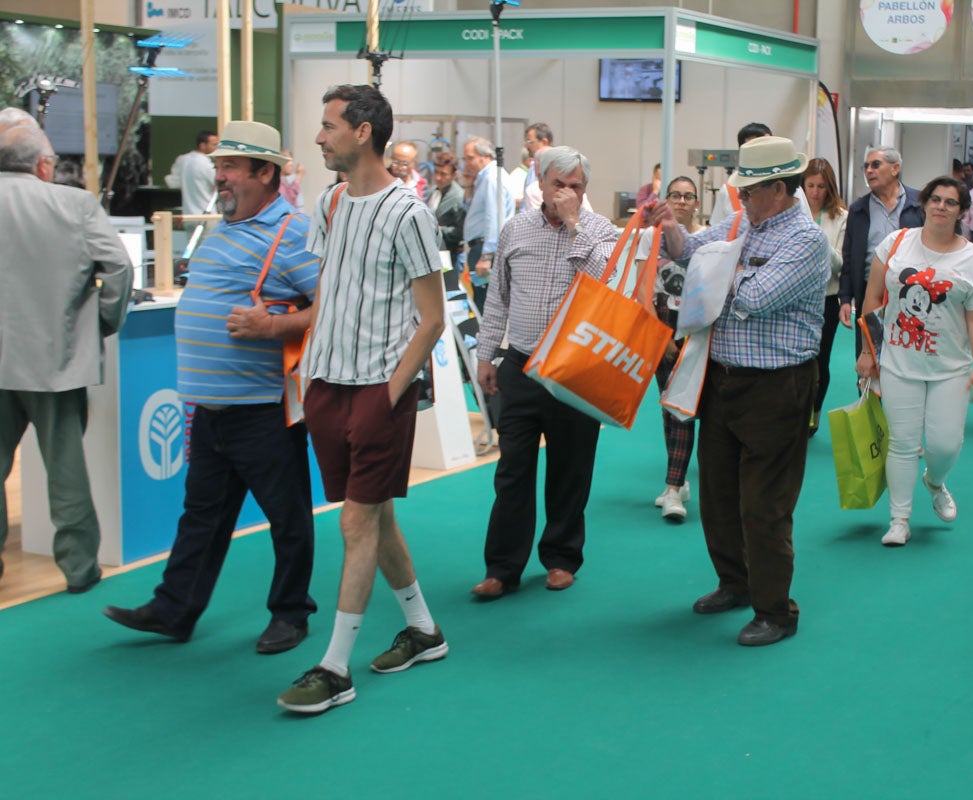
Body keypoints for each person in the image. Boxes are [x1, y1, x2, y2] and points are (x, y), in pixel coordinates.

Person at [101, 121, 319, 652]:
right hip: (212, 407)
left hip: (261, 409)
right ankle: (175, 609)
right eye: (218, 166)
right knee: (202, 514)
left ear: (265, 172)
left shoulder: (292, 231)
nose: (218, 177)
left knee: (286, 517)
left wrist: (271, 327)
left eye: (230, 168)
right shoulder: (224, 227)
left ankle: (291, 613)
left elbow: (332, 308)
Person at [277, 85, 448, 714]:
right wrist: (309, 370)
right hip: (327, 386)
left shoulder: (409, 214)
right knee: (375, 517)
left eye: (328, 127)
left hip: (380, 391)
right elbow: (329, 287)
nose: (319, 137)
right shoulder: (328, 203)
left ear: (363, 132)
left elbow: (431, 319)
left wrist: (390, 391)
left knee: (355, 521)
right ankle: (424, 630)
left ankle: (334, 667)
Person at [652, 136, 828, 647]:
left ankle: (776, 610)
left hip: (778, 386)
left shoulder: (806, 240)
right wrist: (671, 232)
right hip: (723, 378)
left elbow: (753, 296)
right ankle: (735, 584)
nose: (740, 197)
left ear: (778, 188)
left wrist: (713, 268)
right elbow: (690, 250)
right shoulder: (740, 223)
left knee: (766, 505)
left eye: (748, 190)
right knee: (719, 495)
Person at [471, 146, 619, 599]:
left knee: (570, 467)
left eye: (576, 186)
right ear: (540, 182)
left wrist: (576, 227)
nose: (567, 193)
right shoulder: (515, 229)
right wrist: (485, 354)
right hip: (520, 362)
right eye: (559, 184)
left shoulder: (600, 231)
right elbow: (498, 297)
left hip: (577, 367)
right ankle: (502, 567)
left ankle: (560, 557)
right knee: (513, 468)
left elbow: (607, 286)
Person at [0, 123, 132, 589]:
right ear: (42, 165)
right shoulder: (72, 204)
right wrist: (101, 323)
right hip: (55, 360)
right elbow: (118, 267)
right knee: (65, 470)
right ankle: (79, 569)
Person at [855, 177, 973, 547]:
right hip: (899, 362)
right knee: (901, 443)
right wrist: (869, 351)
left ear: (961, 211)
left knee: (945, 444)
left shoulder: (972, 257)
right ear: (925, 203)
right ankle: (899, 519)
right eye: (935, 199)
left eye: (951, 202)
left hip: (951, 368)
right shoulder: (896, 243)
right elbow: (871, 299)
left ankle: (934, 480)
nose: (941, 206)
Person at [640, 176, 704, 521]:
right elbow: (642, 288)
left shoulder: (704, 239)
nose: (681, 201)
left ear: (697, 202)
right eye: (675, 195)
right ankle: (674, 484)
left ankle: (675, 485)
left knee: (683, 407)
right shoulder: (650, 239)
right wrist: (660, 336)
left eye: (688, 196)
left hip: (695, 329)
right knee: (670, 407)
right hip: (660, 328)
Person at [839, 146, 924, 350]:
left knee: (906, 351)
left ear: (895, 168)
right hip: (869, 292)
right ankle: (866, 383)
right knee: (869, 352)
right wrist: (845, 298)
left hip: (910, 292)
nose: (869, 170)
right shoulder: (859, 209)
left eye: (876, 165)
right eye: (866, 166)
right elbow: (849, 258)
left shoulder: (919, 205)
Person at [802, 156, 848, 436]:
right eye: (810, 185)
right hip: (796, 299)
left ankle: (813, 415)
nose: (816, 192)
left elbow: (840, 264)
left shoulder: (841, 217)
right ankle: (794, 413)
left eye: (821, 186)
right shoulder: (792, 211)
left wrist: (817, 239)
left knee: (821, 361)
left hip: (827, 299)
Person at [461, 136, 515, 313]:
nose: (466, 163)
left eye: (470, 157)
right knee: (479, 301)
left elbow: (494, 217)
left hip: (485, 248)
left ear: (484, 157)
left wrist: (487, 256)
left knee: (483, 305)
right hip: (482, 247)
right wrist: (469, 187)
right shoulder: (484, 178)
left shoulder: (492, 179)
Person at [167, 130, 219, 216]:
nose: (216, 148)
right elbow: (219, 184)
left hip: (188, 215)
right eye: (214, 144)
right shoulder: (206, 164)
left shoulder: (183, 160)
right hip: (207, 215)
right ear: (202, 145)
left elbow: (172, 182)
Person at [427, 155, 466, 256]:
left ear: (454, 174)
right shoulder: (432, 191)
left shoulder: (459, 197)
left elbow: (461, 231)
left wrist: (439, 230)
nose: (438, 177)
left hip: (450, 254)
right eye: (436, 172)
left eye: (443, 174)